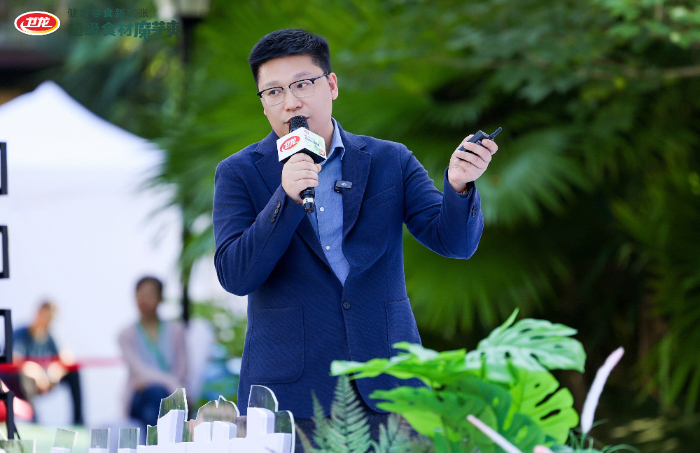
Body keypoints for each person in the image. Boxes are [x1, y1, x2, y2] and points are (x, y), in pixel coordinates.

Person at [212, 29, 497, 447]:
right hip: (290, 395)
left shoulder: (390, 159)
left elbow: (454, 243)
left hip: (391, 386)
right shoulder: (239, 172)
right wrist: (285, 198)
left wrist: (458, 185)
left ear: (331, 85)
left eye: (302, 84)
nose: (290, 102)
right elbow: (236, 276)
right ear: (263, 102)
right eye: (273, 92)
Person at [118, 276, 188, 430]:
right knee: (156, 395)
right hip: (142, 396)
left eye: (150, 294)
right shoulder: (126, 334)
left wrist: (172, 386)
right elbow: (139, 370)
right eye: (141, 294)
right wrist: (172, 384)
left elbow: (182, 367)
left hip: (170, 395)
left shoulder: (176, 330)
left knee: (161, 399)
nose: (144, 299)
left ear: (160, 298)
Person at [10, 301, 83, 425]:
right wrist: (37, 374)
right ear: (37, 313)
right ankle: (34, 421)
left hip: (45, 380)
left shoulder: (49, 337)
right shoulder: (21, 334)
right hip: (20, 382)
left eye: (50, 319)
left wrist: (55, 372)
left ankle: (78, 420)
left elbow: (65, 357)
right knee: (24, 378)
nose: (47, 322)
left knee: (74, 372)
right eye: (45, 316)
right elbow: (15, 360)